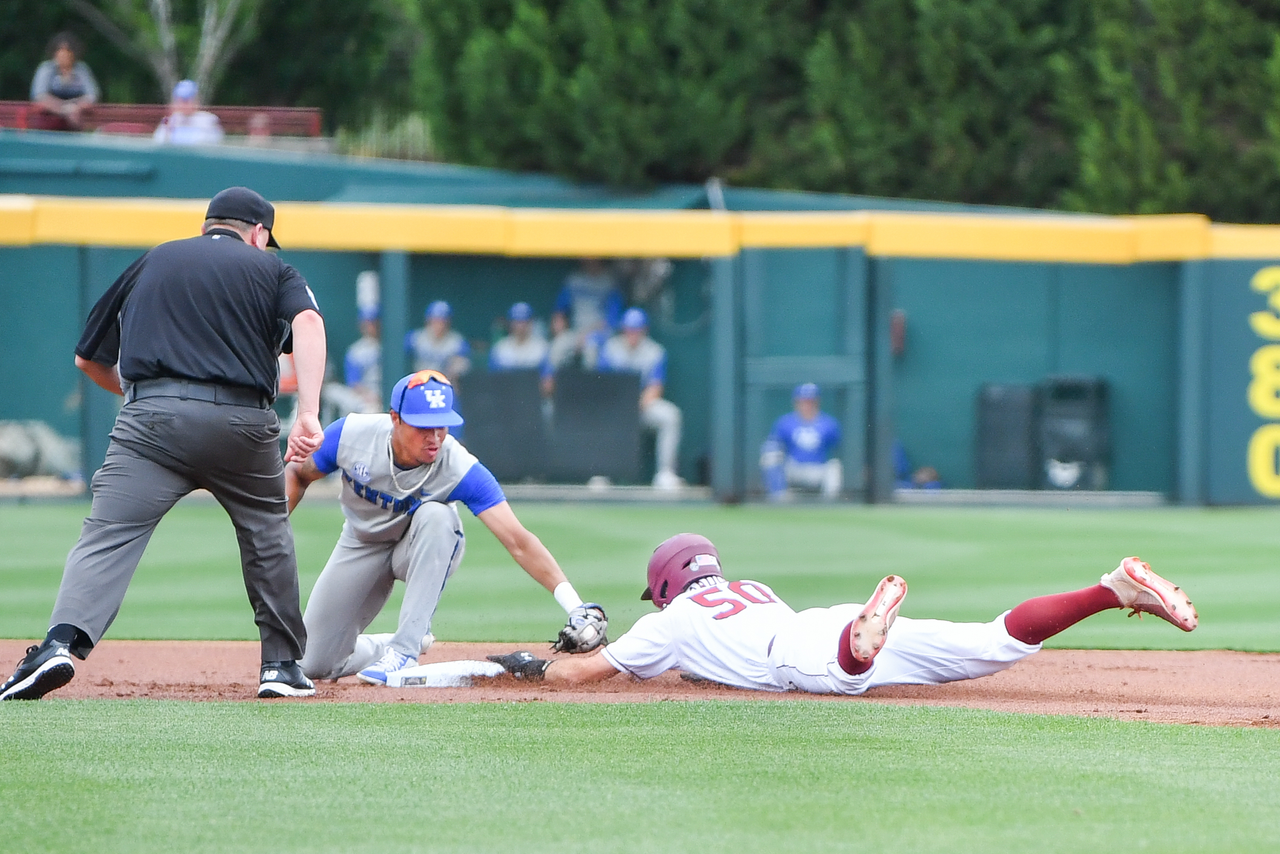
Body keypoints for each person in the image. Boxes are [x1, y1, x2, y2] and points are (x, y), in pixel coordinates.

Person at [1, 186, 327, 702]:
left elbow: (88, 358)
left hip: (150, 424)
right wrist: (308, 412)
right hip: (243, 422)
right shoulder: (274, 271)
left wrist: (146, 398)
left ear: (206, 226)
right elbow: (308, 322)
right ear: (259, 233)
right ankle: (281, 666)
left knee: (107, 533)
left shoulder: (154, 259)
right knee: (267, 534)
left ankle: (59, 643)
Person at [487, 533, 1199, 695]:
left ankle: (865, 635)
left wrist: (536, 666)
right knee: (989, 644)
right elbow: (698, 670)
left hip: (802, 649)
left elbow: (586, 675)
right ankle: (1111, 589)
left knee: (843, 669)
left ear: (666, 584)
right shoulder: (748, 587)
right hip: (807, 620)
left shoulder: (667, 625)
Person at [285, 369, 608, 685]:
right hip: (361, 543)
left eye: (442, 425)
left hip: (419, 548)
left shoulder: (458, 466)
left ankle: (405, 648)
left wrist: (575, 604)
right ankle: (385, 646)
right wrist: (270, 535)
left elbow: (518, 540)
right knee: (312, 662)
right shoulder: (352, 435)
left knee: (437, 516)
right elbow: (298, 474)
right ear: (395, 418)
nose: (435, 436)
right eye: (423, 426)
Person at [598, 307, 683, 490]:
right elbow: (602, 385)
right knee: (597, 414)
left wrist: (636, 405)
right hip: (615, 409)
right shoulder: (610, 348)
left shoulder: (655, 352)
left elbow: (655, 388)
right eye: (629, 329)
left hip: (642, 407)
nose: (632, 334)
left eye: (637, 329)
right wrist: (621, 406)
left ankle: (665, 473)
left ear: (644, 330)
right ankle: (601, 473)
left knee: (671, 415)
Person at [760, 383, 843, 501]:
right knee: (770, 452)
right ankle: (779, 497)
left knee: (835, 466)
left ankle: (829, 505)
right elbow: (774, 445)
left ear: (817, 402)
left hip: (816, 469)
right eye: (803, 401)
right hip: (793, 468)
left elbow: (837, 447)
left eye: (810, 401)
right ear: (796, 402)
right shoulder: (785, 422)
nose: (807, 405)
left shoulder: (829, 423)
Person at [548, 259, 624, 370]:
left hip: (600, 333)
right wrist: (558, 324)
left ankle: (590, 386)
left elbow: (611, 320)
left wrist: (585, 334)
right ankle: (551, 384)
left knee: (591, 349)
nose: (590, 261)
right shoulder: (574, 280)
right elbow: (560, 310)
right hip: (575, 331)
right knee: (559, 344)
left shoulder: (609, 282)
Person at [29, 32, 98, 131]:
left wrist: (76, 107)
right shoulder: (46, 69)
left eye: (68, 51)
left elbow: (92, 95)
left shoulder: (82, 70)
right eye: (60, 51)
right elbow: (39, 95)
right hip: (49, 118)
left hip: (76, 115)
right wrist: (63, 109)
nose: (64, 54)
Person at [322, 306, 383, 416]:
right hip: (365, 397)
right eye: (367, 323)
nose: (370, 327)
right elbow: (354, 383)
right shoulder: (356, 351)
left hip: (386, 393)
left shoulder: (392, 347)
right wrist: (369, 396)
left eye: (374, 323)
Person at [406, 301, 471, 382]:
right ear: (428, 320)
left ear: (448, 322)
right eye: (435, 320)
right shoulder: (415, 337)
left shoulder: (457, 342)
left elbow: (462, 368)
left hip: (444, 384)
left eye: (442, 321)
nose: (439, 324)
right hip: (418, 382)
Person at [153, 79, 224, 146]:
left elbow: (214, 144)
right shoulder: (169, 121)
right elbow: (159, 142)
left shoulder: (208, 120)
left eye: (187, 100)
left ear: (196, 101)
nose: (183, 104)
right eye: (180, 100)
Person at [489, 302, 550, 372]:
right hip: (507, 382)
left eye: (524, 322)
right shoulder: (500, 348)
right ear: (511, 323)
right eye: (517, 322)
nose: (521, 326)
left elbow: (547, 378)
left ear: (531, 323)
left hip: (532, 382)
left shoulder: (542, 347)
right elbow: (493, 378)